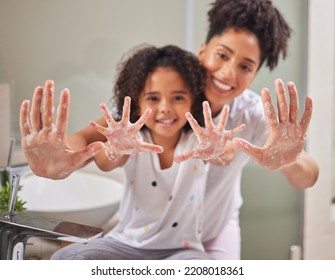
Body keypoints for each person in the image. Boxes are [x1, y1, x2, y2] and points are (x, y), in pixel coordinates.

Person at [19, 0, 319, 259]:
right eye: (223, 55)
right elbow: (94, 138)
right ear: (203, 49)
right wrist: (61, 157)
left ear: (254, 75)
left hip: (212, 230)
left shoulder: (251, 113)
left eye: (245, 66)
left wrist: (288, 160)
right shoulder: (163, 91)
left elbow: (307, 173)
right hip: (140, 236)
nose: (228, 73)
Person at [38, 45, 242, 259]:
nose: (165, 108)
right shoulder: (132, 140)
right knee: (66, 259)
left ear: (194, 101)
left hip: (183, 250)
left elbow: (225, 155)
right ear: (136, 105)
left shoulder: (198, 140)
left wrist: (218, 150)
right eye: (153, 98)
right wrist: (114, 149)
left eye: (178, 98)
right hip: (124, 244)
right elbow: (106, 162)